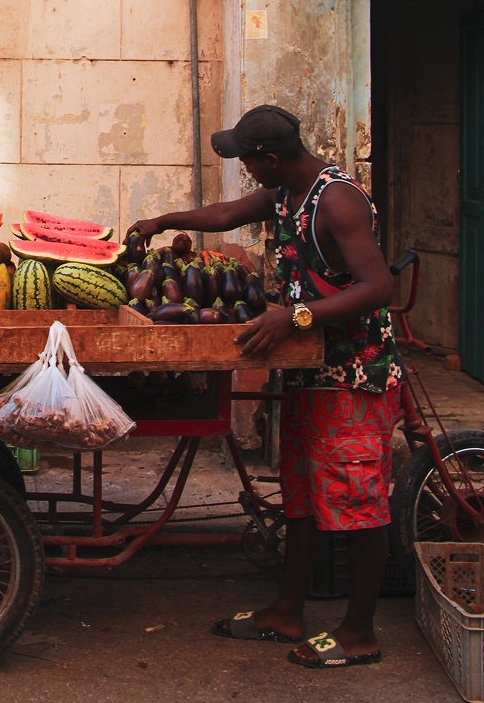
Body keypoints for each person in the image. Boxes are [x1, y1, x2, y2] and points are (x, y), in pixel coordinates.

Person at [125, 103, 404, 670]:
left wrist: (295, 317)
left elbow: (380, 288)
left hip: (354, 375)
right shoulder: (284, 193)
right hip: (309, 369)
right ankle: (286, 611)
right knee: (300, 493)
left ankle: (358, 633)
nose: (247, 170)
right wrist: (165, 221)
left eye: (248, 159)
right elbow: (227, 213)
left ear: (271, 158)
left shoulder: (338, 199)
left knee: (358, 501)